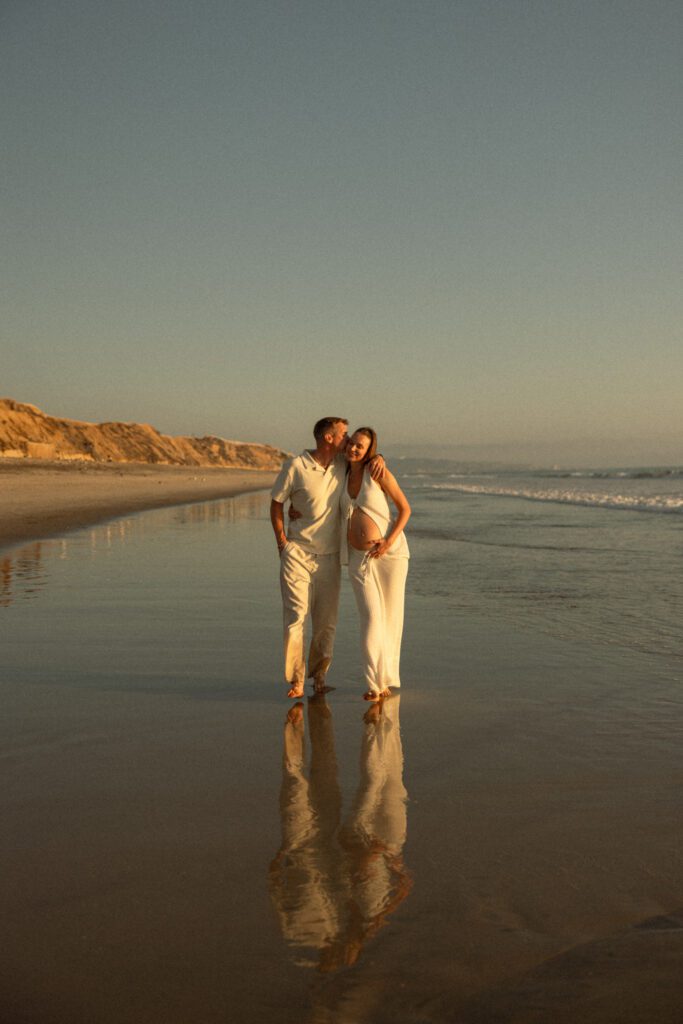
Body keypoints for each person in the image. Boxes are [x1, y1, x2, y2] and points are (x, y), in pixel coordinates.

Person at [270, 418, 384, 698]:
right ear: (328, 437)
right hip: (296, 552)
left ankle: (319, 676)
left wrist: (380, 456)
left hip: (330, 556)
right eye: (344, 434)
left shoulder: (343, 464)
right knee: (296, 616)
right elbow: (276, 503)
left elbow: (366, 458)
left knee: (326, 621)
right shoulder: (295, 466)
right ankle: (296, 680)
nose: (348, 439)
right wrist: (282, 542)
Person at [341, 428, 410, 701]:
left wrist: (389, 541)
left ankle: (385, 680)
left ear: (370, 450)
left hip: (390, 556)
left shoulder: (377, 472)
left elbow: (405, 508)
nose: (354, 449)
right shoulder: (340, 472)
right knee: (371, 617)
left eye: (361, 446)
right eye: (352, 443)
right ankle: (373, 683)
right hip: (359, 560)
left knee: (390, 617)